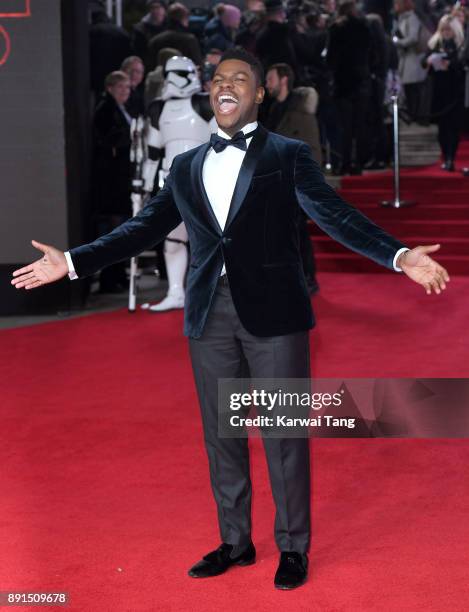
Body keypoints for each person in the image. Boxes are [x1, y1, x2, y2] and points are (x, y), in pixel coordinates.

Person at [12, 47, 450, 590]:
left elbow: (334, 215)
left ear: (259, 92)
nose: (226, 85)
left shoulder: (286, 154)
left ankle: (293, 546)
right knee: (222, 434)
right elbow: (143, 228)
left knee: (281, 433)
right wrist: (74, 261)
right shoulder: (186, 164)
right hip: (208, 314)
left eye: (239, 79)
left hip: (274, 313)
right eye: (218, 78)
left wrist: (399, 255)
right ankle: (235, 541)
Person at [265, 62, 321, 295]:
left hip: (295, 182)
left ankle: (307, 278)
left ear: (283, 80)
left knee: (297, 232)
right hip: (275, 181)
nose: (267, 85)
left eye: (270, 79)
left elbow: (312, 151)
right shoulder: (274, 110)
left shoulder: (300, 113)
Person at [90, 71, 133, 293]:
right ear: (110, 88)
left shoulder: (119, 109)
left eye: (127, 87)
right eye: (120, 87)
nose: (125, 91)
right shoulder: (105, 110)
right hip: (111, 180)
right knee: (113, 230)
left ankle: (118, 275)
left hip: (119, 178)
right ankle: (110, 277)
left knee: (120, 229)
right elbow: (107, 141)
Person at [327, 0, 373, 174]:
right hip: (362, 81)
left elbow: (331, 59)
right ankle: (359, 163)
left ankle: (344, 162)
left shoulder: (336, 29)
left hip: (343, 82)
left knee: (344, 126)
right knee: (360, 125)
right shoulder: (364, 28)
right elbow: (372, 54)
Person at [423, 15, 465, 171]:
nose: (446, 32)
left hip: (455, 91)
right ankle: (445, 155)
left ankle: (450, 159)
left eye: (449, 29)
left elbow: (462, 64)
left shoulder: (461, 45)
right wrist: (428, 62)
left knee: (453, 127)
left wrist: (451, 64)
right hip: (438, 91)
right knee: (441, 128)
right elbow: (424, 60)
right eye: (443, 29)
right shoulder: (434, 44)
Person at [393, 0, 429, 122]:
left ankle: (416, 115)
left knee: (414, 88)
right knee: (409, 89)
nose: (395, 6)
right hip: (406, 57)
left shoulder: (412, 18)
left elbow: (413, 38)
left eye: (397, 4)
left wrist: (398, 43)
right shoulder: (401, 18)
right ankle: (412, 114)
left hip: (413, 57)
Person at [146, 3, 203, 72]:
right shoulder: (189, 40)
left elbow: (150, 67)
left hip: (160, 80)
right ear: (184, 19)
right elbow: (197, 66)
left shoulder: (155, 41)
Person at [132, 0, 168, 67]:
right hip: (149, 65)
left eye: (158, 7)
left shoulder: (170, 26)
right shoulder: (141, 29)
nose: (155, 11)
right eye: (152, 7)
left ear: (164, 9)